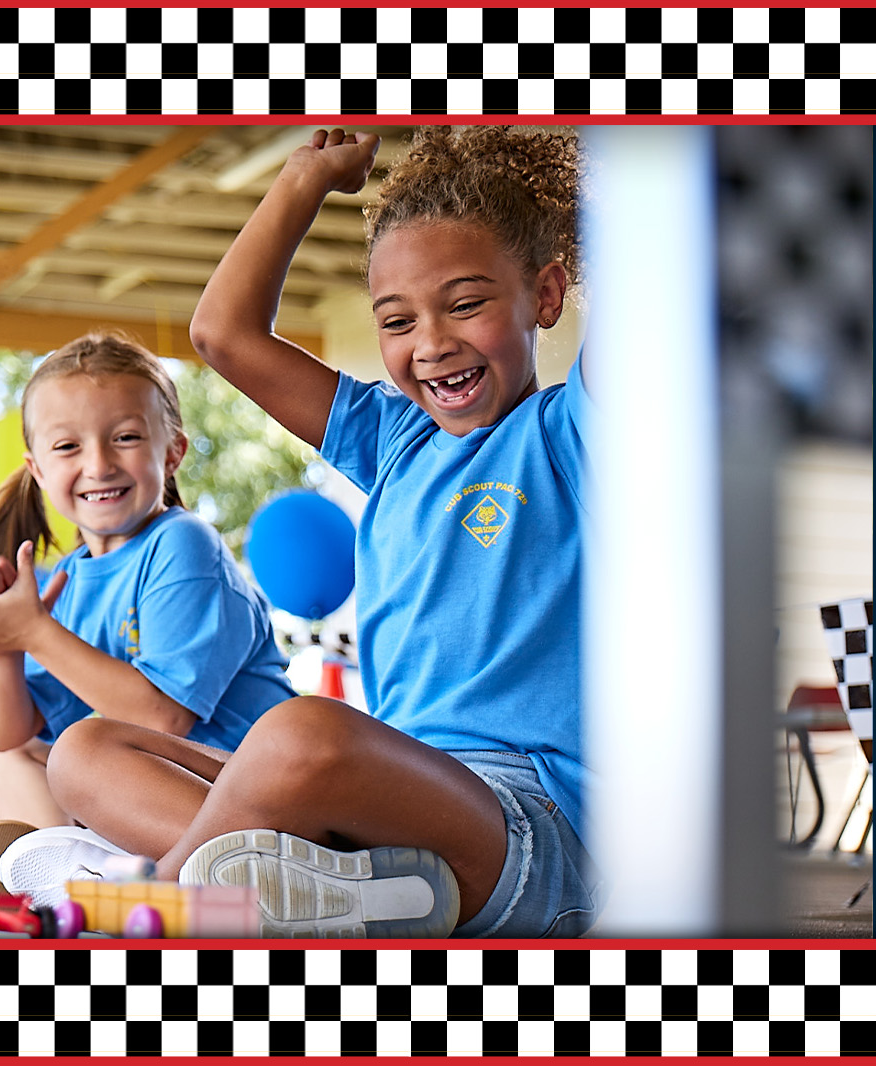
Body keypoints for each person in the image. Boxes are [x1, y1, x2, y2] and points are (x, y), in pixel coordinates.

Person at [45, 126, 597, 939]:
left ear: (545, 298)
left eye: (467, 304)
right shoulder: (396, 438)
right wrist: (306, 178)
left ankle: (153, 901)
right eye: (396, 320)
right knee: (84, 752)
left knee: (304, 733)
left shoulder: (575, 431)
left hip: (525, 830)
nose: (431, 343)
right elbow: (224, 336)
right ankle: (340, 893)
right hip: (386, 806)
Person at [0, 333, 296, 899]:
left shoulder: (183, 544)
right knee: (11, 757)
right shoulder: (66, 580)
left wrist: (35, 632)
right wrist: (5, 646)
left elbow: (164, 718)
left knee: (82, 751)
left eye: (124, 438)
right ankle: (80, 883)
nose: (98, 465)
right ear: (38, 470)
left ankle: (88, 878)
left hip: (247, 800)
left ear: (171, 452)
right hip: (158, 806)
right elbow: (7, 733)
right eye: (67, 448)